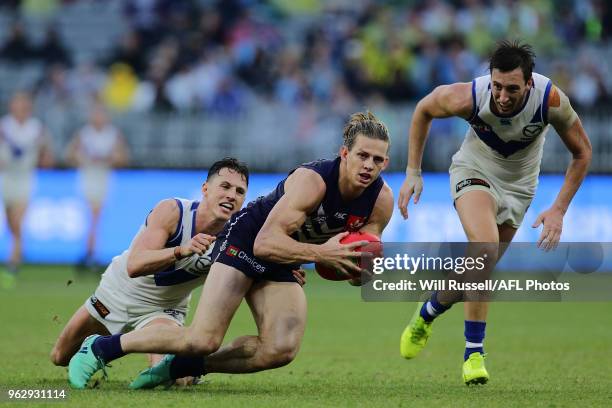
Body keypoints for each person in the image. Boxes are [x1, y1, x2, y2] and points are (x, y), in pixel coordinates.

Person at [68, 111, 394, 389]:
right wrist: (321, 254)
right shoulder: (314, 182)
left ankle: (181, 367)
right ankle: (102, 348)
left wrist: (360, 270)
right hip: (248, 238)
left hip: (286, 255)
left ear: (386, 162)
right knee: (203, 339)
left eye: (377, 159)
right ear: (344, 153)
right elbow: (265, 243)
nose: (369, 165)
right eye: (362, 155)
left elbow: (355, 268)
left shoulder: (381, 202)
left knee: (280, 349)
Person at [397, 40, 592, 385]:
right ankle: (474, 353)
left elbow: (583, 153)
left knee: (478, 269)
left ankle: (427, 311)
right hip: (473, 170)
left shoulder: (550, 100)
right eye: (497, 86)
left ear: (529, 84)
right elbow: (423, 109)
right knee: (484, 248)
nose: (502, 96)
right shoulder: (468, 97)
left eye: (512, 89)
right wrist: (413, 171)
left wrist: (559, 208)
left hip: (520, 188)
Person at [51, 158, 250, 384]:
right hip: (116, 294)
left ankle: (182, 368)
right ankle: (96, 345)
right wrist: (180, 250)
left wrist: (286, 272)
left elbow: (256, 266)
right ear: (205, 189)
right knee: (60, 356)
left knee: (175, 379)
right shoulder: (173, 211)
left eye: (240, 191)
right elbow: (135, 265)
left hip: (164, 310)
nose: (232, 195)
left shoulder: (236, 239)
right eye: (225, 186)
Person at [65, 104, 130, 270]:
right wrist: (84, 159)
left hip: (103, 177)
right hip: (87, 177)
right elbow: (70, 155)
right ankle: (90, 253)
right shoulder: (84, 134)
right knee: (92, 216)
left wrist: (108, 159)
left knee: (96, 216)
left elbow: (123, 158)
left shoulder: (113, 134)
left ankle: (90, 252)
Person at [0, 91, 54, 289]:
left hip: (25, 178)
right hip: (7, 178)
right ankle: (16, 255)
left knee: (17, 220)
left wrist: (45, 159)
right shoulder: (5, 126)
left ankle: (12, 265)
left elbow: (46, 152)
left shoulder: (36, 128)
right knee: (10, 224)